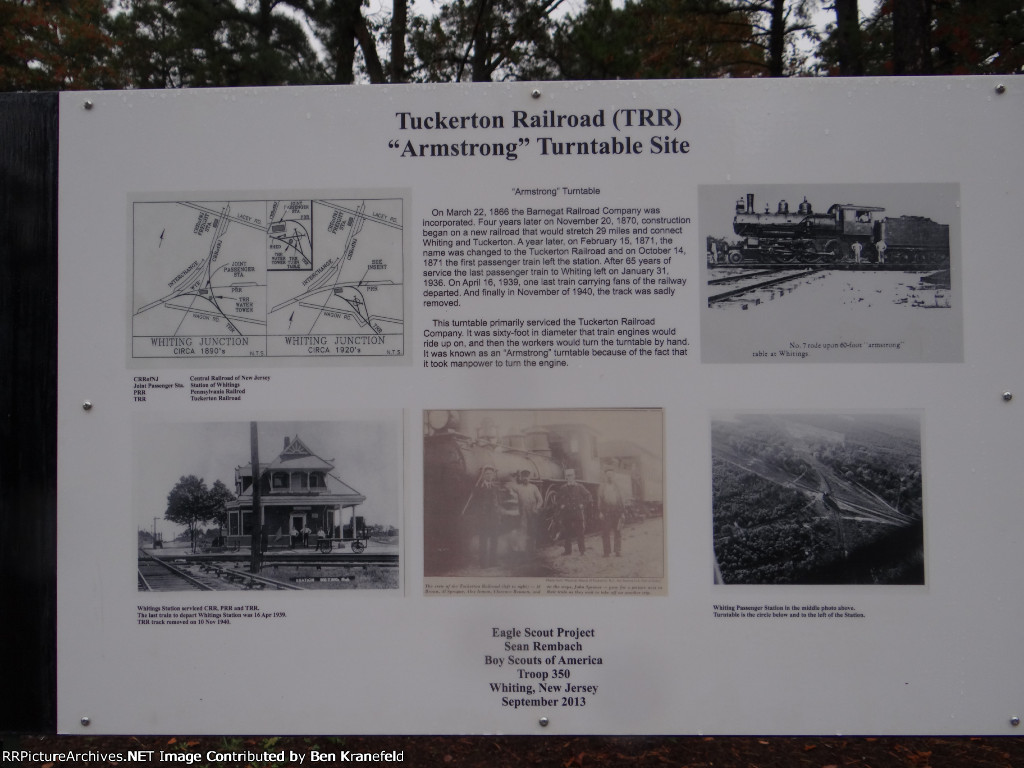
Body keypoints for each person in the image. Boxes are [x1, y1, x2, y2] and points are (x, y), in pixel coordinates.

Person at [468, 466, 503, 567]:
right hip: (483, 520)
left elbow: (498, 503)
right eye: (487, 474)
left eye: (490, 474)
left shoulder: (496, 488)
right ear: (483, 476)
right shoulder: (478, 489)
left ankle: (493, 562)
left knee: (494, 541)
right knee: (483, 541)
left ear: (493, 476)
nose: (489, 475)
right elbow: (474, 505)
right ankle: (483, 563)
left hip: (494, 519)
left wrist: (499, 516)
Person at [553, 468, 591, 556]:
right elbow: (557, 499)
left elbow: (588, 496)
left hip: (577, 512)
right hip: (567, 513)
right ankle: (567, 551)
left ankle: (582, 550)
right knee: (567, 532)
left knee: (580, 532)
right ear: (566, 477)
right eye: (567, 476)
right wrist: (561, 505)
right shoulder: (563, 488)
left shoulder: (580, 487)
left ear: (574, 476)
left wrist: (582, 504)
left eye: (571, 475)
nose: (569, 477)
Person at [512, 469, 544, 554]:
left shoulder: (534, 487)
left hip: (532, 512)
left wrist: (536, 508)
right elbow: (512, 488)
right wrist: (515, 477)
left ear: (529, 478)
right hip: (523, 512)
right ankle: (523, 550)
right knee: (523, 530)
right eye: (524, 477)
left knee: (532, 530)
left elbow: (540, 500)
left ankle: (532, 549)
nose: (525, 478)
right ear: (522, 478)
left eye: (527, 477)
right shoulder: (519, 488)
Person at [597, 468, 625, 557]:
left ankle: (617, 551)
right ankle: (606, 552)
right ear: (605, 476)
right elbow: (600, 500)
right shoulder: (602, 487)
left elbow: (621, 500)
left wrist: (622, 513)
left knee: (618, 532)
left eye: (611, 475)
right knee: (605, 533)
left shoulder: (617, 487)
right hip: (607, 513)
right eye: (608, 475)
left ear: (614, 476)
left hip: (617, 513)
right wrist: (601, 512)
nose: (609, 477)